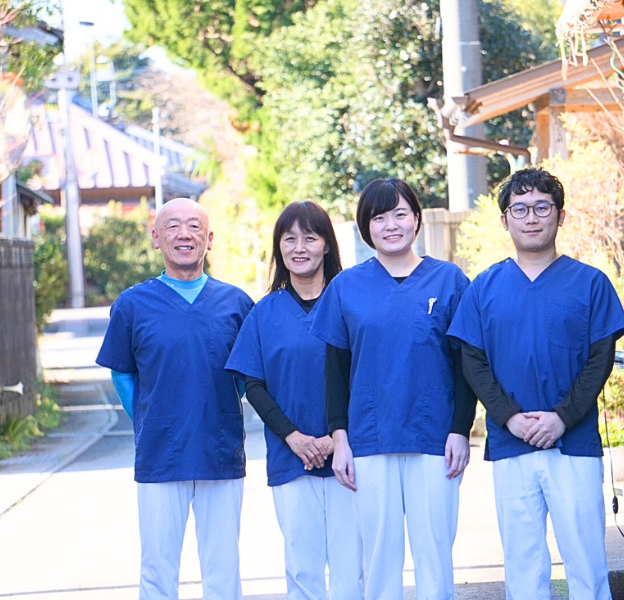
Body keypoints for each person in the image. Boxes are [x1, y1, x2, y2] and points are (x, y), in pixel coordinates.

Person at [447, 167, 624, 600]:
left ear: (560, 216)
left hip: (574, 443)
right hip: (512, 444)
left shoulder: (590, 283)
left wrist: (563, 417)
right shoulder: (484, 288)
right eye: (520, 209)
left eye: (542, 207)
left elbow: (599, 359)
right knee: (524, 565)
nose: (531, 218)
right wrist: (509, 417)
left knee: (586, 560)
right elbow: (472, 361)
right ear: (505, 220)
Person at [309, 178, 477, 600]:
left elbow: (466, 364)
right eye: (378, 217)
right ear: (366, 228)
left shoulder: (449, 280)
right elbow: (335, 369)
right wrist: (340, 438)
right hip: (369, 437)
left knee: (435, 551)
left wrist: (461, 427)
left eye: (400, 214)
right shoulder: (347, 287)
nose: (391, 225)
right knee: (379, 555)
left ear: (417, 219)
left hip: (434, 436)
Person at [96, 197, 254, 600]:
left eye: (194, 227)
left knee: (223, 568)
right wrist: (154, 421)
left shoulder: (237, 304)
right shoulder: (132, 305)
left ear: (210, 239)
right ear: (155, 238)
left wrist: (211, 411)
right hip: (159, 453)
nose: (184, 235)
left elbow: (245, 376)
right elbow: (122, 372)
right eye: (173, 227)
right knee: (157, 569)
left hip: (219, 450)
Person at [225, 201, 363, 600]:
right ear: (279, 248)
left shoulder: (350, 303)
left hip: (349, 454)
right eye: (289, 239)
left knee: (350, 567)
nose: (299, 247)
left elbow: (366, 377)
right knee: (302, 569)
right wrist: (295, 438)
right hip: (291, 457)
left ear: (326, 246)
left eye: (310, 237)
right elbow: (253, 385)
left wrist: (338, 438)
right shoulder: (264, 312)